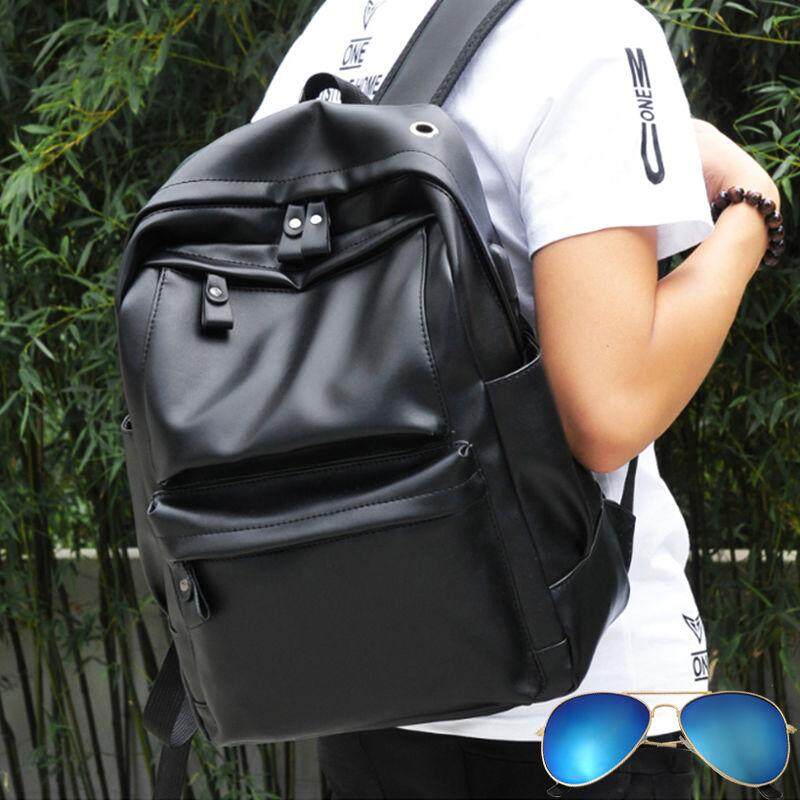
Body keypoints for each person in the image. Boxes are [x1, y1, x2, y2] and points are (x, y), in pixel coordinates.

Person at [252, 1, 780, 797]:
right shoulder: (591, 27)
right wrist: (749, 213)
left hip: (362, 676)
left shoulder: (340, 26)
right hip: (575, 707)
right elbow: (606, 412)